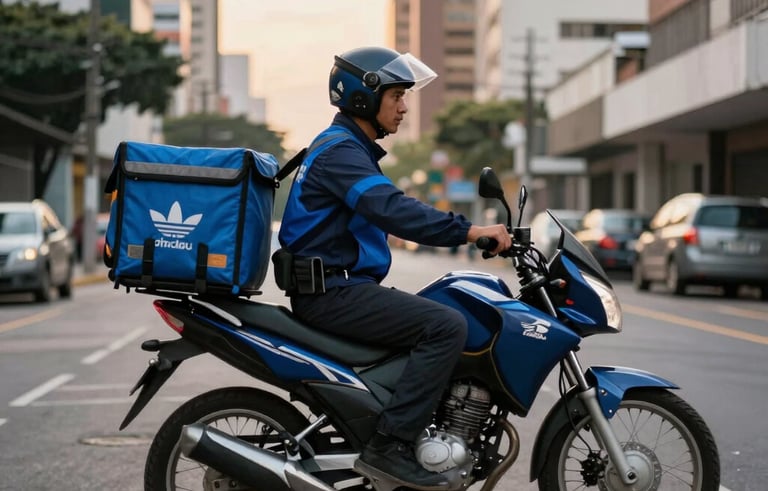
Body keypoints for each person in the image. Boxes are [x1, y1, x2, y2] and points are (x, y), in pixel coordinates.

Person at [277, 46, 511, 489]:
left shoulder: (350, 150)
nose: (403, 106)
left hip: (339, 287)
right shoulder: (340, 153)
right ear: (363, 98)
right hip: (332, 292)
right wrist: (471, 230)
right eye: (397, 95)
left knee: (442, 308)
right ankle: (389, 447)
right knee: (445, 326)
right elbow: (396, 211)